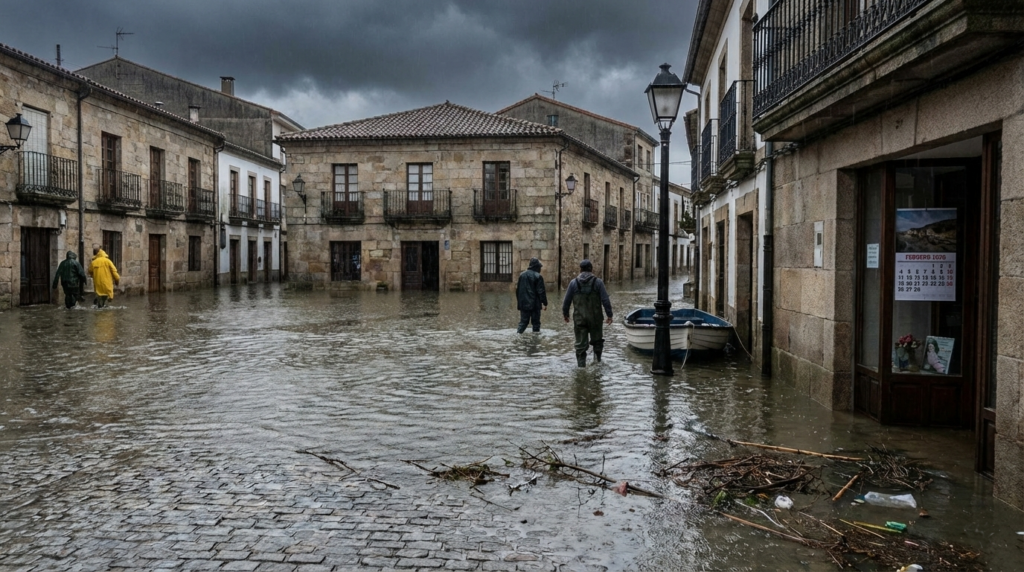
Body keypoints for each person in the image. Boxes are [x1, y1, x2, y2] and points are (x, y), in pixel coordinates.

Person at [562, 259, 613, 367]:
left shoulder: (573, 283)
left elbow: (566, 301)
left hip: (579, 319)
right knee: (597, 342)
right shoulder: (598, 282)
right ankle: (597, 363)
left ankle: (581, 367)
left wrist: (565, 314)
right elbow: (605, 300)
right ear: (591, 269)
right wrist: (609, 315)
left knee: (580, 345)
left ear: (580, 270)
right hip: (595, 319)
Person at [515, 257, 548, 333]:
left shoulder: (521, 275)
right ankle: (535, 342)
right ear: (536, 267)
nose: (540, 269)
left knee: (523, 323)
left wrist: (520, 303)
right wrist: (545, 303)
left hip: (524, 304)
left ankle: (518, 335)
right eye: (539, 267)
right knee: (536, 323)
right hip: (535, 305)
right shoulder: (538, 276)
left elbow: (518, 291)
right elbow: (541, 291)